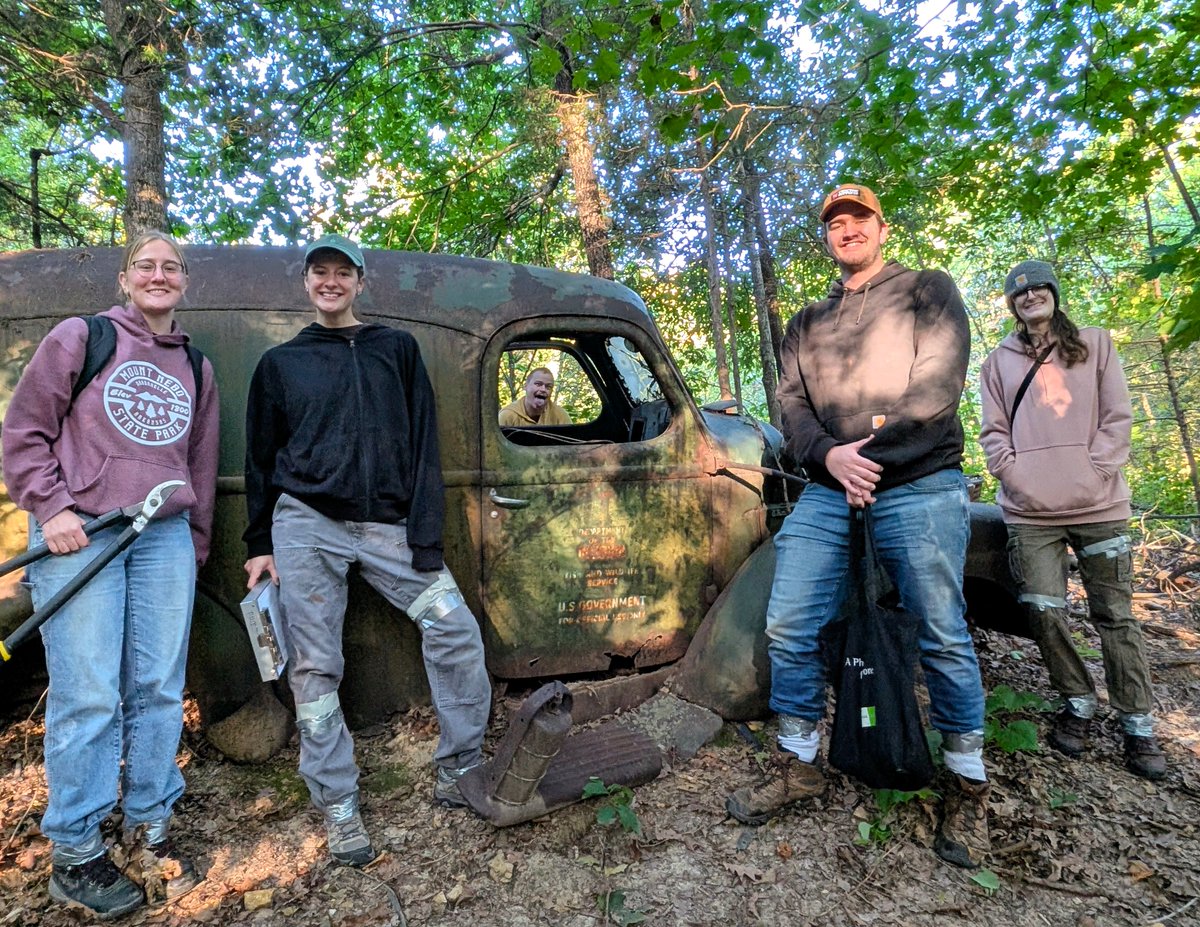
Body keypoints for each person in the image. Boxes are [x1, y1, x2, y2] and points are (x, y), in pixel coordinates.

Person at [725, 183, 991, 868]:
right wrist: (830, 457)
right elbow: (790, 407)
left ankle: (966, 778)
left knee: (940, 627)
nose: (847, 229)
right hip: (825, 488)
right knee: (789, 618)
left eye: (858, 218)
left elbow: (938, 383)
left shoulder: (927, 290)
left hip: (919, 481)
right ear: (826, 237)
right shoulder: (808, 322)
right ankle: (799, 758)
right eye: (834, 222)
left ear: (882, 227)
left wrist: (864, 459)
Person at [242, 233, 492, 868]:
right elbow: (260, 463)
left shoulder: (396, 349)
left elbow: (424, 443)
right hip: (306, 524)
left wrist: (425, 536)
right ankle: (339, 803)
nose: (331, 282)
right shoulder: (280, 364)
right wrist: (259, 544)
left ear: (360, 281)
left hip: (387, 526)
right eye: (319, 272)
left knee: (455, 630)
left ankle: (461, 766)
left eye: (342, 273)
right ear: (306, 283)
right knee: (314, 664)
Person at [2, 232, 218, 916]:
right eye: (146, 265)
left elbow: (201, 465)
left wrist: (196, 542)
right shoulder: (83, 336)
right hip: (82, 531)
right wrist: (52, 507)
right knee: (89, 689)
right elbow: (24, 430)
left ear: (185, 282)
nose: (159, 275)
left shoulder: (196, 366)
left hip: (164, 537)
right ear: (126, 278)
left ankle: (150, 814)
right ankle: (76, 849)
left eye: (171, 267)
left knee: (157, 685)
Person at [979, 260, 1166, 781]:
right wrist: (1017, 478)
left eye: (1039, 287)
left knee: (1115, 616)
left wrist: (1097, 471)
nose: (1031, 295)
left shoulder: (1096, 344)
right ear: (1013, 305)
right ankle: (1078, 701)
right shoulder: (998, 362)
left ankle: (1137, 722)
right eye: (1020, 291)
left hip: (1100, 507)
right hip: (1030, 513)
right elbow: (992, 433)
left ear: (1054, 293)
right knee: (1042, 611)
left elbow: (1117, 417)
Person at [498, 367, 572, 426]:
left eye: (548, 387)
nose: (543, 389)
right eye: (538, 384)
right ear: (525, 386)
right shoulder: (507, 416)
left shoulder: (559, 415)